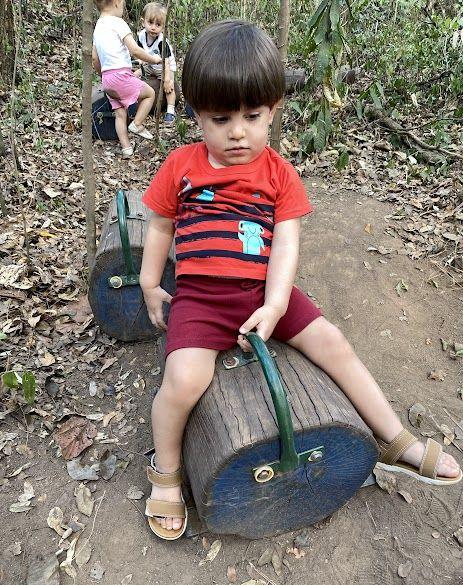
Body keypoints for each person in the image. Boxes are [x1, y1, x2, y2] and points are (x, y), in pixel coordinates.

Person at [140, 20, 462, 540]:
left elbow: (286, 243)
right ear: (196, 114)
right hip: (200, 300)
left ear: (273, 111)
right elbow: (159, 224)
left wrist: (274, 305)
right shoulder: (183, 166)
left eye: (252, 116)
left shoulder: (278, 173)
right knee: (184, 381)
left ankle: (394, 438)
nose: (238, 132)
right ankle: (167, 470)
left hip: (266, 292)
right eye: (221, 118)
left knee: (333, 342)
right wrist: (150, 282)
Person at [92, 0, 161, 158]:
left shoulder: (98, 27)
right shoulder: (118, 23)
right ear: (116, 2)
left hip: (107, 78)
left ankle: (126, 148)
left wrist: (103, 75)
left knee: (120, 114)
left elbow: (95, 58)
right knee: (150, 94)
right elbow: (135, 50)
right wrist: (154, 59)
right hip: (120, 75)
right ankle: (137, 124)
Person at [136, 2, 178, 124]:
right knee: (135, 74)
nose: (153, 27)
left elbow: (166, 61)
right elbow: (139, 51)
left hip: (164, 66)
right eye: (150, 23)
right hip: (150, 64)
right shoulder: (141, 36)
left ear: (163, 27)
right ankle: (133, 102)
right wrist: (139, 62)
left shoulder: (161, 42)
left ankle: (170, 110)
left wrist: (167, 79)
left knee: (169, 87)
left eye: (158, 24)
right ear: (143, 22)